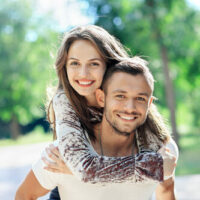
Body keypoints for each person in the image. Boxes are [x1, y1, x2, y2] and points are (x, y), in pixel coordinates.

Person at [15, 58, 178, 200]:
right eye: (120, 96)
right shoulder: (65, 155)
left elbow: (166, 189)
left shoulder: (163, 152)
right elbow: (24, 196)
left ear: (149, 104)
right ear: (101, 98)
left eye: (140, 98)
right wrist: (79, 171)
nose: (130, 107)